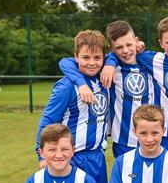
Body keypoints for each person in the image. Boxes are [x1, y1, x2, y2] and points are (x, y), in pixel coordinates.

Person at [101, 14, 168, 157]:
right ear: (161, 43)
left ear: (136, 42)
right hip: (137, 139)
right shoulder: (150, 61)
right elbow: (72, 62)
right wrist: (110, 62)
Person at [59, 20, 154, 157]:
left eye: (129, 44)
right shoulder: (106, 68)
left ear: (136, 41)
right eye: (119, 47)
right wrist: (82, 83)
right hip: (123, 142)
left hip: (153, 139)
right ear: (112, 50)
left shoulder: (150, 62)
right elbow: (65, 62)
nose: (126, 50)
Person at [36, 30, 109, 183]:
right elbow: (47, 122)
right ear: (76, 57)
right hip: (73, 159)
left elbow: (115, 57)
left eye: (97, 58)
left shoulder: (106, 79)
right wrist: (42, 157)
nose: (92, 63)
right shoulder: (66, 86)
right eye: (86, 58)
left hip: (97, 158)